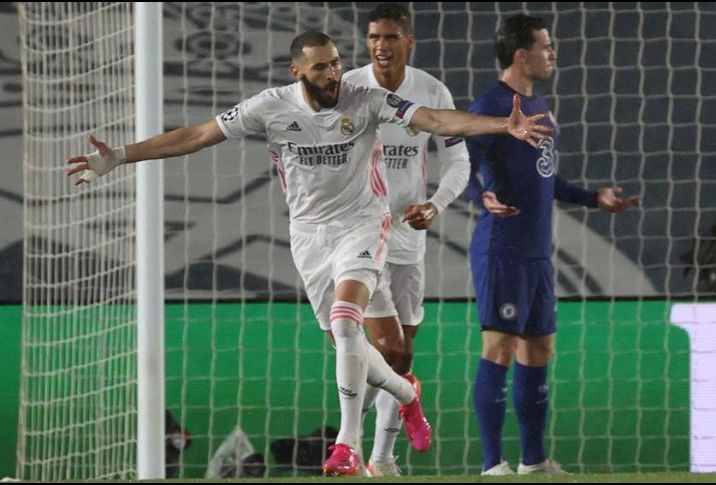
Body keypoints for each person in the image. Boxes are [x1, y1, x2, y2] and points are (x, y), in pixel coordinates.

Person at [66, 31, 552, 477]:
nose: (333, 73)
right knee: (350, 345)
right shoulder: (270, 107)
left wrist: (498, 126)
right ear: (297, 72)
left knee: (346, 322)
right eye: (321, 67)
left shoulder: (366, 100)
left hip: (364, 222)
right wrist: (119, 157)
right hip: (309, 236)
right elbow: (195, 136)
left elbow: (436, 119)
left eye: (337, 63)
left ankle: (348, 445)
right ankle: (406, 393)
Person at [464, 14, 639, 476]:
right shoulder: (492, 103)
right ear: (522, 55)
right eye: (546, 46)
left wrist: (594, 199)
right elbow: (458, 161)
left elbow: (544, 177)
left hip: (537, 252)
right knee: (499, 347)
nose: (553, 53)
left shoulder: (539, 104)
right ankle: (491, 464)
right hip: (502, 247)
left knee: (538, 350)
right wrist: (478, 193)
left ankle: (534, 461)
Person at [342, 3, 471, 477]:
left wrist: (436, 204)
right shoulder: (349, 88)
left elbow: (459, 160)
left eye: (391, 37)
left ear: (408, 41)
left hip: (408, 235)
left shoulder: (431, 91)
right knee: (381, 348)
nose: (381, 45)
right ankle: (350, 445)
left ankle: (379, 458)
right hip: (359, 232)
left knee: (402, 353)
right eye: (374, 36)